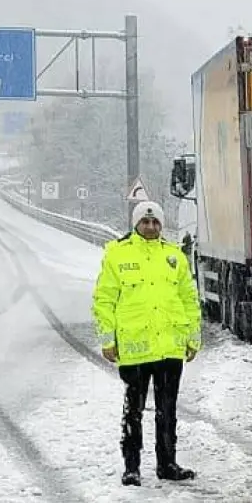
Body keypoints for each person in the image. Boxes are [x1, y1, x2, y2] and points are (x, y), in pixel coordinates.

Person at [92, 197, 201, 485]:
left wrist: (193, 337)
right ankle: (132, 467)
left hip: (169, 348)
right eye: (145, 221)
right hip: (135, 349)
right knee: (134, 410)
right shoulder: (117, 255)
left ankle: (167, 464)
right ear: (136, 224)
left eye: (155, 222)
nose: (150, 226)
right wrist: (107, 339)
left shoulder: (174, 256)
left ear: (161, 226)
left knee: (168, 410)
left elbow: (189, 299)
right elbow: (104, 300)